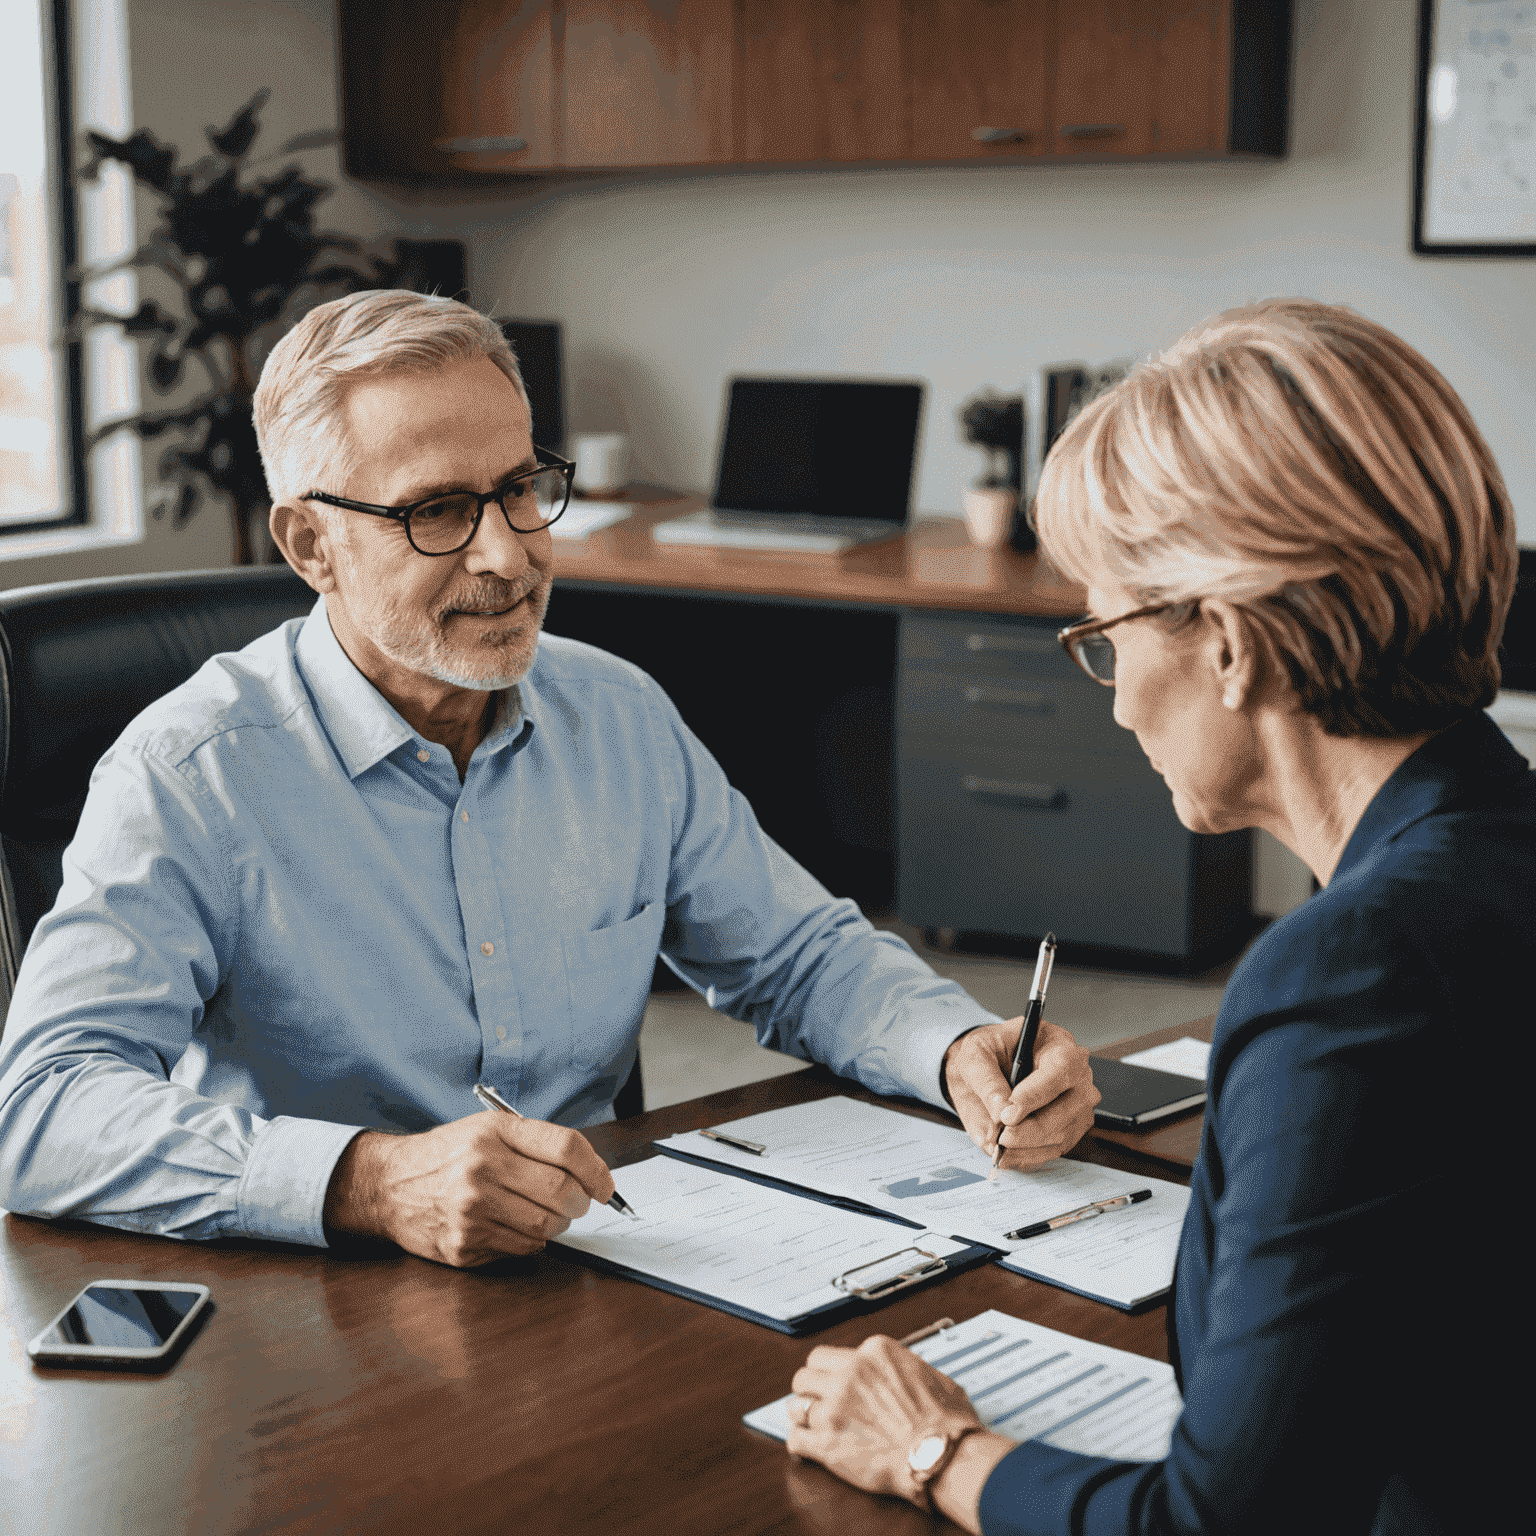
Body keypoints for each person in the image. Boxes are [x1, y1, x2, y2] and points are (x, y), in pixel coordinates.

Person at [0, 290, 1096, 1269]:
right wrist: (370, 1181)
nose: (509, 556)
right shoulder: (190, 775)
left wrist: (952, 1049)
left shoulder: (615, 712)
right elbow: (42, 1111)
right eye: (437, 511)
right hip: (318, 1299)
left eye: (522, 488)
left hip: (607, 1259)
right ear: (310, 546)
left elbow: (799, 955)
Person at [779, 298, 1530, 1534]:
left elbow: (1220, 1526)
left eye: (1105, 633)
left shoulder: (1350, 968)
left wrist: (933, 1450)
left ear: (1229, 644)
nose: (1117, 701)